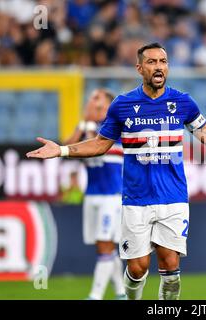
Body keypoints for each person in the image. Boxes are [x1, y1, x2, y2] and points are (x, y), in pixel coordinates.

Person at [26, 42, 206, 300]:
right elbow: (100, 144)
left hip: (173, 197)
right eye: (152, 62)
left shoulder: (183, 102)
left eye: (163, 61)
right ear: (139, 68)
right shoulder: (122, 105)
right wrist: (61, 150)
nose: (159, 67)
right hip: (136, 200)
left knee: (170, 265)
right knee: (137, 267)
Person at [63, 88, 126, 300]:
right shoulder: (87, 128)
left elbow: (98, 147)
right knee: (105, 247)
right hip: (92, 195)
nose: (92, 102)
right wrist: (83, 122)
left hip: (112, 195)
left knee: (105, 245)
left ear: (109, 104)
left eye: (97, 98)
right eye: (90, 98)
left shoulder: (116, 126)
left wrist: (88, 128)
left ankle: (95, 295)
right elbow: (66, 148)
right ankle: (121, 293)